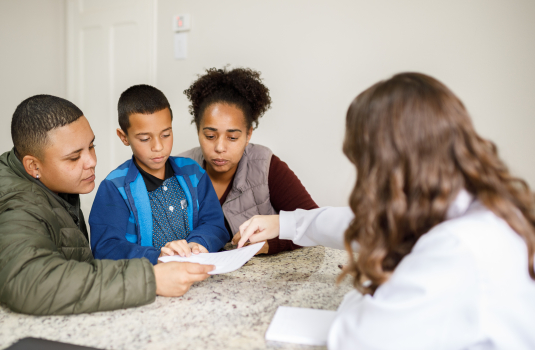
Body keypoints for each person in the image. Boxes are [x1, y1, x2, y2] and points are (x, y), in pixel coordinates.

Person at [237, 73, 535, 349]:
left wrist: (372, 277)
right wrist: (285, 223)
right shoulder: (477, 206)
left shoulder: (458, 246)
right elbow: (373, 224)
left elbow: (356, 338)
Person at [0, 95, 215, 315]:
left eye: (91, 146)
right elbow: (33, 284)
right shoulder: (11, 209)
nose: (91, 161)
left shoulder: (45, 178)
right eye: (73, 158)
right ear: (33, 165)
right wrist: (151, 279)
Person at [179, 67, 318, 255]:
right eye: (210, 136)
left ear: (248, 134)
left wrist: (269, 244)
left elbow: (313, 224)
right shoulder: (179, 168)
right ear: (198, 131)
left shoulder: (265, 166)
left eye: (233, 137)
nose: (220, 147)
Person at [89, 85, 229, 264]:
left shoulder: (194, 173)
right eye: (145, 139)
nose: (158, 147)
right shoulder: (114, 187)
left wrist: (197, 243)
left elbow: (215, 224)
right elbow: (106, 247)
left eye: (165, 134)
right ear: (124, 137)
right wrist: (157, 256)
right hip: (149, 281)